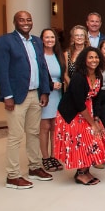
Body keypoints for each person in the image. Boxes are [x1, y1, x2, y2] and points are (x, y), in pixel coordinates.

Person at [0, 11, 53, 188]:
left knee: (34, 132)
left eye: (28, 20)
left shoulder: (36, 41)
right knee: (15, 135)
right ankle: (12, 175)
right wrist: (7, 95)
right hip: (17, 96)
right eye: (21, 20)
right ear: (15, 22)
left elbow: (42, 67)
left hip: (35, 94)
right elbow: (1, 70)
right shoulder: (5, 41)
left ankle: (35, 167)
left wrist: (45, 91)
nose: (25, 23)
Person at [53, 46, 105, 185]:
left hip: (88, 111)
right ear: (84, 60)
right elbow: (79, 104)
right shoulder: (79, 77)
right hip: (72, 114)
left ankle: (85, 170)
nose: (94, 60)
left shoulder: (98, 75)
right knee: (83, 140)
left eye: (96, 57)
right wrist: (92, 124)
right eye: (90, 57)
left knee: (96, 138)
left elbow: (97, 98)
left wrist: (96, 118)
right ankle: (80, 173)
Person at [39, 28, 65, 172]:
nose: (49, 40)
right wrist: (50, 85)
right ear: (42, 39)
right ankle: (45, 157)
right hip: (45, 94)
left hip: (57, 95)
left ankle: (54, 156)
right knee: (45, 127)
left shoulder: (58, 56)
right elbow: (39, 76)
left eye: (52, 37)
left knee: (55, 127)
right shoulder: (39, 56)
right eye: (47, 37)